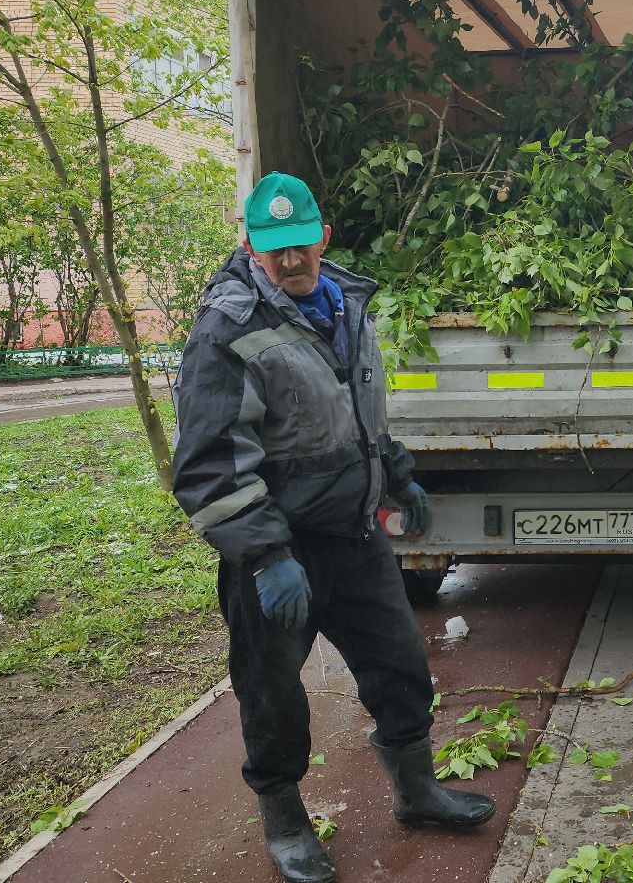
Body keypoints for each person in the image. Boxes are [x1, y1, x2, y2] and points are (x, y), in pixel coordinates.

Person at [170, 172, 492, 883]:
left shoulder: (347, 303)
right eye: (273, 249)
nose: (289, 261)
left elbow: (358, 412)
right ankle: (286, 821)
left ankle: (416, 790)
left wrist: (398, 474)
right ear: (250, 247)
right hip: (281, 553)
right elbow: (207, 465)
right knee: (273, 693)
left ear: (324, 236)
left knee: (401, 667)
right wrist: (267, 555)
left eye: (299, 244)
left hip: (356, 535)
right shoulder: (228, 329)